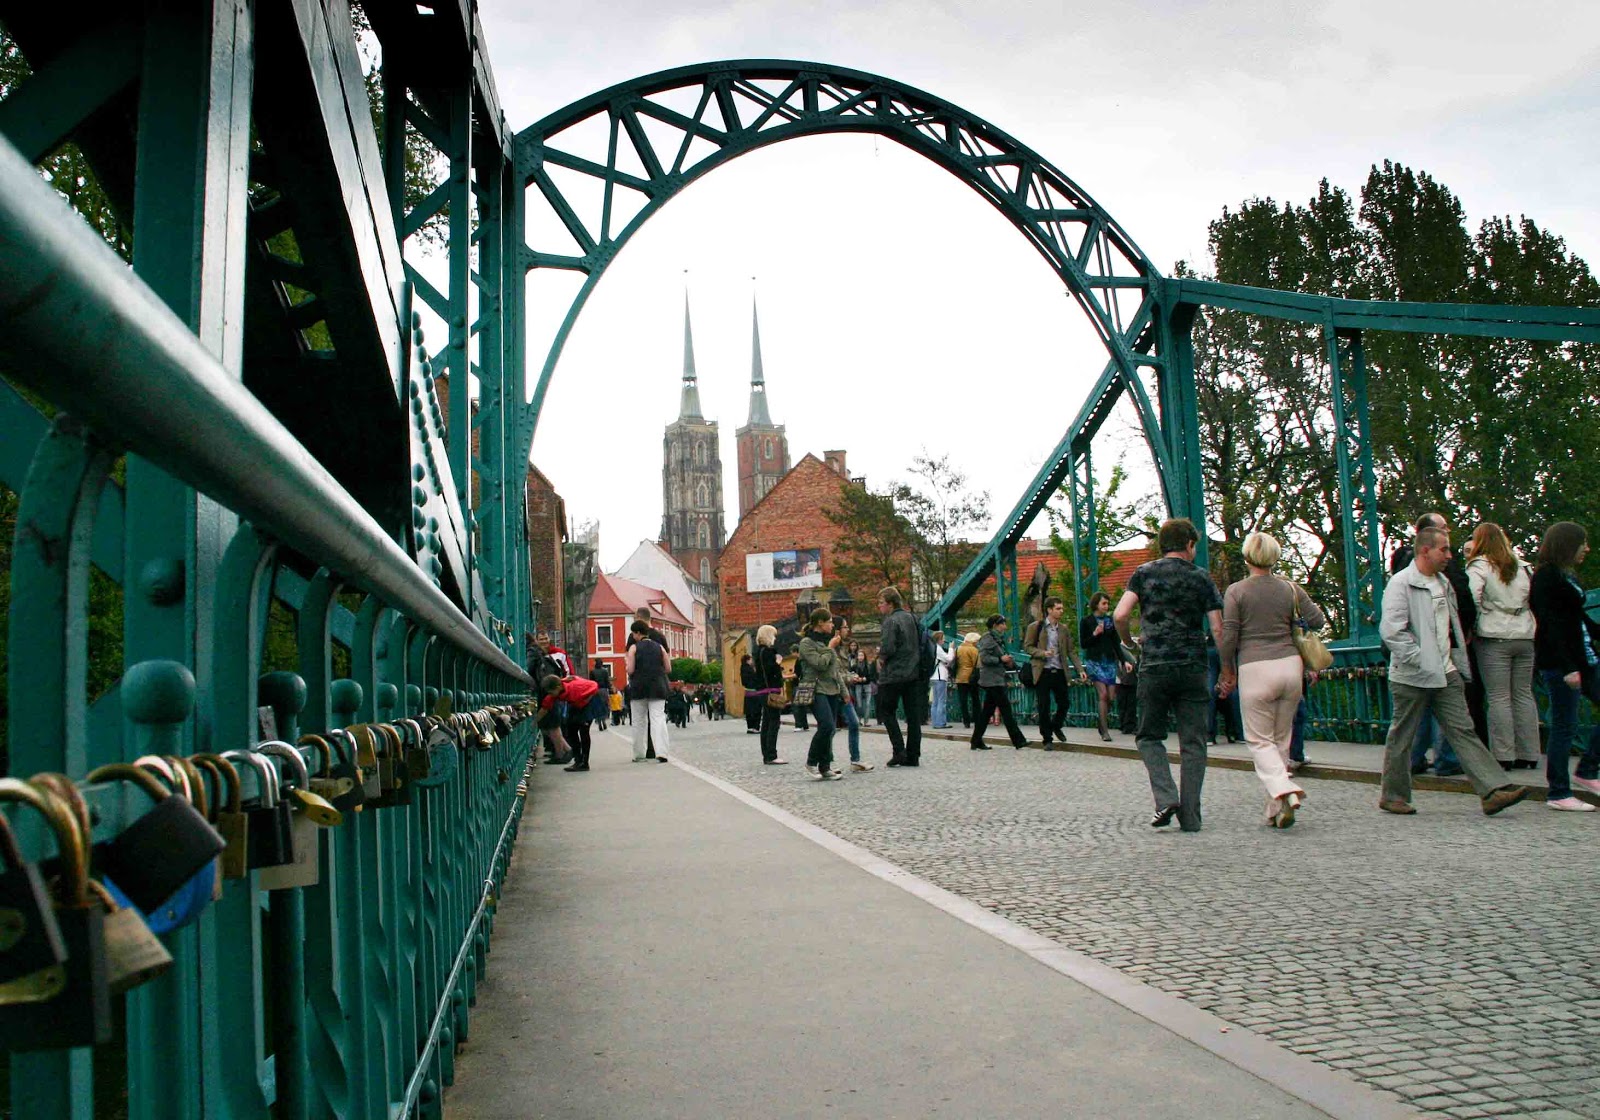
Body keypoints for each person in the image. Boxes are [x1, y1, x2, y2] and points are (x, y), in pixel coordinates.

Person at [1376, 524, 1525, 816]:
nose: (1449, 555)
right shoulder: (1401, 583)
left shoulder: (1443, 582)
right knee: (1403, 735)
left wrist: (1454, 661)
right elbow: (1392, 631)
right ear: (1425, 550)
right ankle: (1393, 796)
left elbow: (1452, 627)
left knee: (1463, 730)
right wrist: (1421, 658)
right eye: (1443, 549)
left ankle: (1493, 791)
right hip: (1412, 675)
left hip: (1445, 671)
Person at [1114, 518, 1224, 832]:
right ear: (1189, 544)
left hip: (1155, 665)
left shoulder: (1143, 573)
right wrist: (1228, 668)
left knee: (1149, 736)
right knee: (1193, 742)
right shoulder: (1201, 577)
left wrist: (1128, 642)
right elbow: (1218, 628)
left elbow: (1120, 614)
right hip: (1192, 665)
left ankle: (1166, 798)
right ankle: (1191, 817)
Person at [1216, 532, 1324, 829]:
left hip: (1255, 667)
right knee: (1280, 740)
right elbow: (1317, 620)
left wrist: (1227, 670)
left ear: (1247, 556)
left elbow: (1229, 636)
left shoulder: (1236, 591)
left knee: (1259, 741)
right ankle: (1276, 807)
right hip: (1290, 667)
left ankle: (1284, 788)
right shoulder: (1290, 588)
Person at [1529, 521, 1600, 811]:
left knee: (1566, 724)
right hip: (1563, 663)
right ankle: (1559, 792)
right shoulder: (1546, 578)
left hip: (1584, 658)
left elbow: (1576, 617)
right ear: (1568, 545)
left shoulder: (1565, 575)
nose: (1587, 548)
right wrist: (1567, 666)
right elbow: (1550, 625)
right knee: (1564, 725)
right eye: (1583, 543)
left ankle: (1588, 770)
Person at [1465, 522, 1540, 771]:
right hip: (1525, 633)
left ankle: (1504, 754)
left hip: (1493, 634)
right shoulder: (1523, 567)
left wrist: (1473, 625)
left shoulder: (1480, 566)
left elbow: (1472, 597)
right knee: (1523, 694)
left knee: (1499, 697)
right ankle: (1529, 752)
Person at [1023, 596, 1087, 745]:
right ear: (1049, 610)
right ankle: (1047, 738)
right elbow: (1027, 646)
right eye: (1058, 608)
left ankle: (1056, 725)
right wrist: (1042, 653)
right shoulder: (1036, 627)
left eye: (1062, 608)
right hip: (1042, 671)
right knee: (1043, 706)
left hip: (1059, 670)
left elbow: (1071, 651)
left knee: (1064, 703)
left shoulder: (1063, 629)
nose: (1061, 611)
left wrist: (1080, 669)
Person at [875, 587, 924, 767]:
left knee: (886, 711)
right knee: (913, 716)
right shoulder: (912, 618)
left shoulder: (891, 621)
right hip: (913, 672)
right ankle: (913, 755)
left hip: (894, 674)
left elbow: (888, 647)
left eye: (881, 603)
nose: (879, 606)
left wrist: (880, 656)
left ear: (890, 604)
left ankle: (899, 751)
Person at [796, 608, 846, 780]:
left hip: (832, 688)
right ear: (820, 622)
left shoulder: (827, 642)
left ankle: (825, 766)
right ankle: (811, 761)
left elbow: (834, 670)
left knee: (831, 730)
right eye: (829, 622)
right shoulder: (807, 643)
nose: (832, 625)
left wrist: (844, 691)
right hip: (815, 688)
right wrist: (830, 648)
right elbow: (820, 664)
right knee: (826, 725)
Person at [971, 614, 1028, 750]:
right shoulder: (988, 638)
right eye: (1002, 624)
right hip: (992, 680)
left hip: (996, 679)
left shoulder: (997, 638)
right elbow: (984, 658)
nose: (1005, 627)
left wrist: (1008, 662)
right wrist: (1000, 659)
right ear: (995, 625)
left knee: (986, 712)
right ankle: (1018, 740)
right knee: (1006, 710)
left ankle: (976, 740)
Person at [1080, 592, 1127, 741]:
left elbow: (1116, 642)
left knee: (1111, 697)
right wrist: (1095, 634)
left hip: (1109, 661)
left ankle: (1102, 721)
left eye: (1107, 603)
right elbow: (1084, 643)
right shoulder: (1086, 621)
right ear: (1096, 604)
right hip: (1095, 661)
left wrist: (1123, 660)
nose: (1106, 606)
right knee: (1103, 695)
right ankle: (1105, 731)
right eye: (1103, 603)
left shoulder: (1110, 621)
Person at [625, 620, 671, 763]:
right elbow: (668, 668)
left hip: (639, 687)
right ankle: (662, 752)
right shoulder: (659, 647)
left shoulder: (634, 648)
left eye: (633, 633)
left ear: (638, 633)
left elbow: (630, 670)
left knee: (638, 721)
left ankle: (639, 754)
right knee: (658, 718)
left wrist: (628, 667)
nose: (633, 636)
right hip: (658, 686)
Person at [543, 673, 603, 772]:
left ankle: (584, 762)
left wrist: (585, 700)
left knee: (584, 731)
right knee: (571, 730)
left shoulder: (574, 687)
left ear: (557, 687)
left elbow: (594, 685)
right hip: (576, 703)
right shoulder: (557, 691)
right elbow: (545, 706)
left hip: (588, 700)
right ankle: (578, 760)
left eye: (551, 692)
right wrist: (536, 721)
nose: (551, 694)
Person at [750, 625, 789, 765]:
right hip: (770, 690)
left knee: (766, 722)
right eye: (773, 635)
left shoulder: (758, 652)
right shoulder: (767, 652)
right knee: (773, 722)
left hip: (762, 690)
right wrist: (777, 663)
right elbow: (771, 670)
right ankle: (771, 755)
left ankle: (766, 754)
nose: (775, 638)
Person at [953, 631, 981, 728]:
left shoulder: (958, 648)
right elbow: (978, 664)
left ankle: (966, 721)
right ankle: (977, 719)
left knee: (963, 700)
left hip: (960, 677)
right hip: (972, 677)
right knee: (975, 699)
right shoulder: (974, 650)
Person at [930, 630, 954, 728]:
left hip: (933, 676)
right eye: (943, 639)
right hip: (940, 676)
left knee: (935, 701)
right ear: (939, 639)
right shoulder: (938, 648)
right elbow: (949, 658)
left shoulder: (932, 647)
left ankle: (935, 722)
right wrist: (951, 648)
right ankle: (940, 722)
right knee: (941, 701)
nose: (944, 640)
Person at [740, 654, 763, 733]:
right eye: (750, 659)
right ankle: (755, 727)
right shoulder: (749, 669)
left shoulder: (742, 668)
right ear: (747, 660)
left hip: (747, 692)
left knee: (749, 711)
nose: (752, 661)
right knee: (756, 710)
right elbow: (755, 678)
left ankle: (750, 727)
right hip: (754, 692)